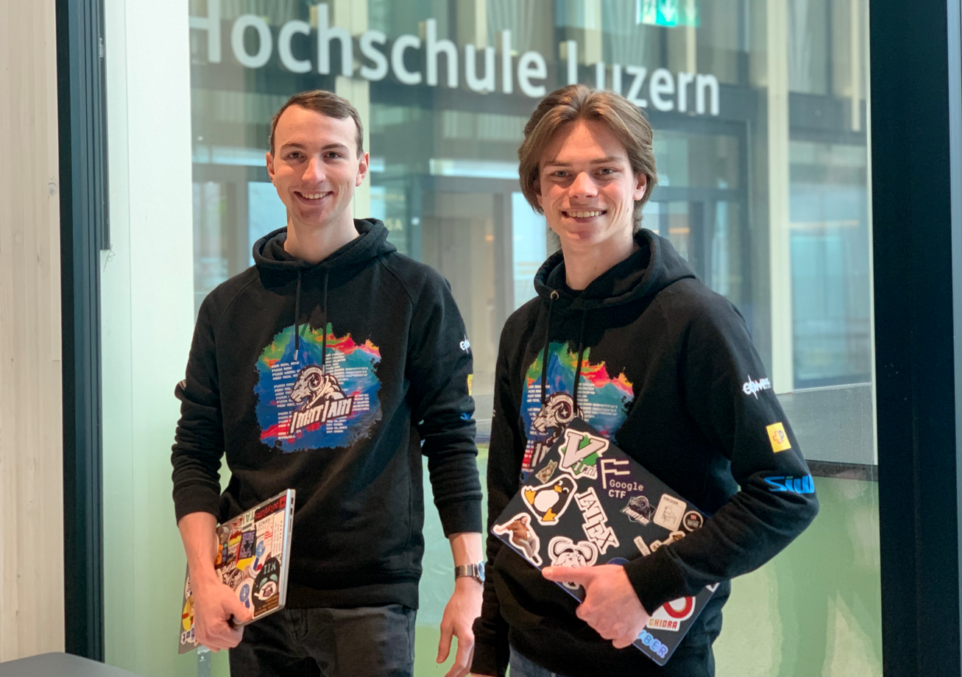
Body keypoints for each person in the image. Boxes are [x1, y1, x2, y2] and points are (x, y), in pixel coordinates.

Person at [470, 85, 819, 677]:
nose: (582, 190)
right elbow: (507, 500)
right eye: (560, 174)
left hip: (648, 659)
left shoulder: (697, 321)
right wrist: (489, 650)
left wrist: (645, 585)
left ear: (640, 182)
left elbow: (786, 494)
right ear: (536, 191)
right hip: (530, 656)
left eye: (605, 170)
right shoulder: (524, 329)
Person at [172, 90, 484, 677]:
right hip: (253, 593)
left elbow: (450, 440)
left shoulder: (416, 293)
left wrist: (470, 580)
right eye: (295, 155)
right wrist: (204, 578)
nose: (313, 174)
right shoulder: (226, 308)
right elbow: (193, 453)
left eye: (333, 155)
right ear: (271, 166)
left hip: (370, 600)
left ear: (361, 167)